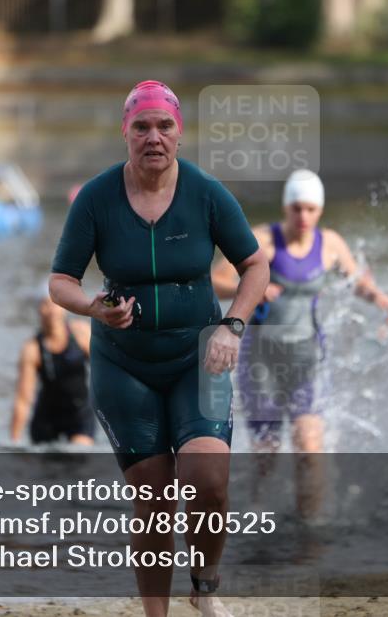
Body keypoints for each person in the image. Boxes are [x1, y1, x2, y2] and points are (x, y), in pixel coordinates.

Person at [49, 80, 269, 617]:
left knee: (209, 484)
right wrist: (92, 308)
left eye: (164, 126)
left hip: (202, 357)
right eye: (141, 126)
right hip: (124, 366)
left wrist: (232, 327)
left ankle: (206, 586)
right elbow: (60, 281)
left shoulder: (207, 193)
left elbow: (256, 267)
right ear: (125, 132)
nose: (154, 137)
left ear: (179, 133)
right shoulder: (98, 199)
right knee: (152, 503)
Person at [212, 169, 388, 456]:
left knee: (310, 449)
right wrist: (252, 289)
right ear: (285, 207)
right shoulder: (262, 240)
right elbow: (215, 281)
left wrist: (380, 298)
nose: (303, 216)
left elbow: (356, 282)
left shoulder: (330, 244)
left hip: (308, 355)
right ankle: (260, 500)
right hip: (261, 360)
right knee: (266, 455)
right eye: (296, 208)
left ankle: (312, 504)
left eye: (310, 209)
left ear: (320, 210)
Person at [10, 291, 94, 446]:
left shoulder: (81, 333)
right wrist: (14, 440)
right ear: (39, 310)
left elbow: (102, 369)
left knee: (79, 458)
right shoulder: (32, 349)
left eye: (55, 304)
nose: (52, 310)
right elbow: (23, 400)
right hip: (46, 418)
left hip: (79, 413)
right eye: (46, 304)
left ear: (64, 307)